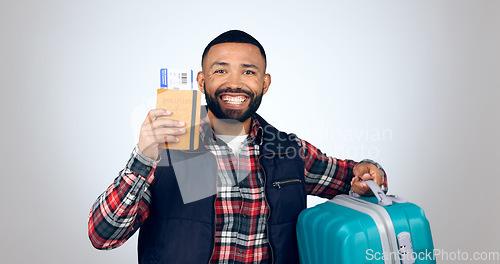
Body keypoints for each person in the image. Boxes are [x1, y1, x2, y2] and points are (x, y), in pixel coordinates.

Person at [88, 30, 387, 264]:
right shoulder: (167, 147)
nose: (235, 83)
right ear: (202, 81)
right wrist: (143, 157)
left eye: (248, 72)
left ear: (264, 83)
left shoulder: (289, 150)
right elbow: (104, 235)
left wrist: (369, 172)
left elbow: (355, 178)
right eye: (221, 71)